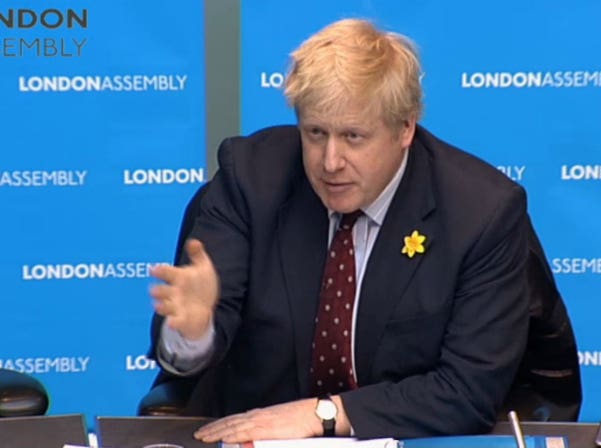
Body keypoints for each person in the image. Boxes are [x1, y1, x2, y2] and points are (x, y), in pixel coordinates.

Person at [149, 18, 532, 444]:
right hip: (253, 438)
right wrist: (195, 331)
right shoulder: (251, 179)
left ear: (405, 128)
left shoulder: (480, 212)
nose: (330, 161)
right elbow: (193, 350)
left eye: (353, 136)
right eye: (315, 133)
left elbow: (468, 390)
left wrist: (324, 413)